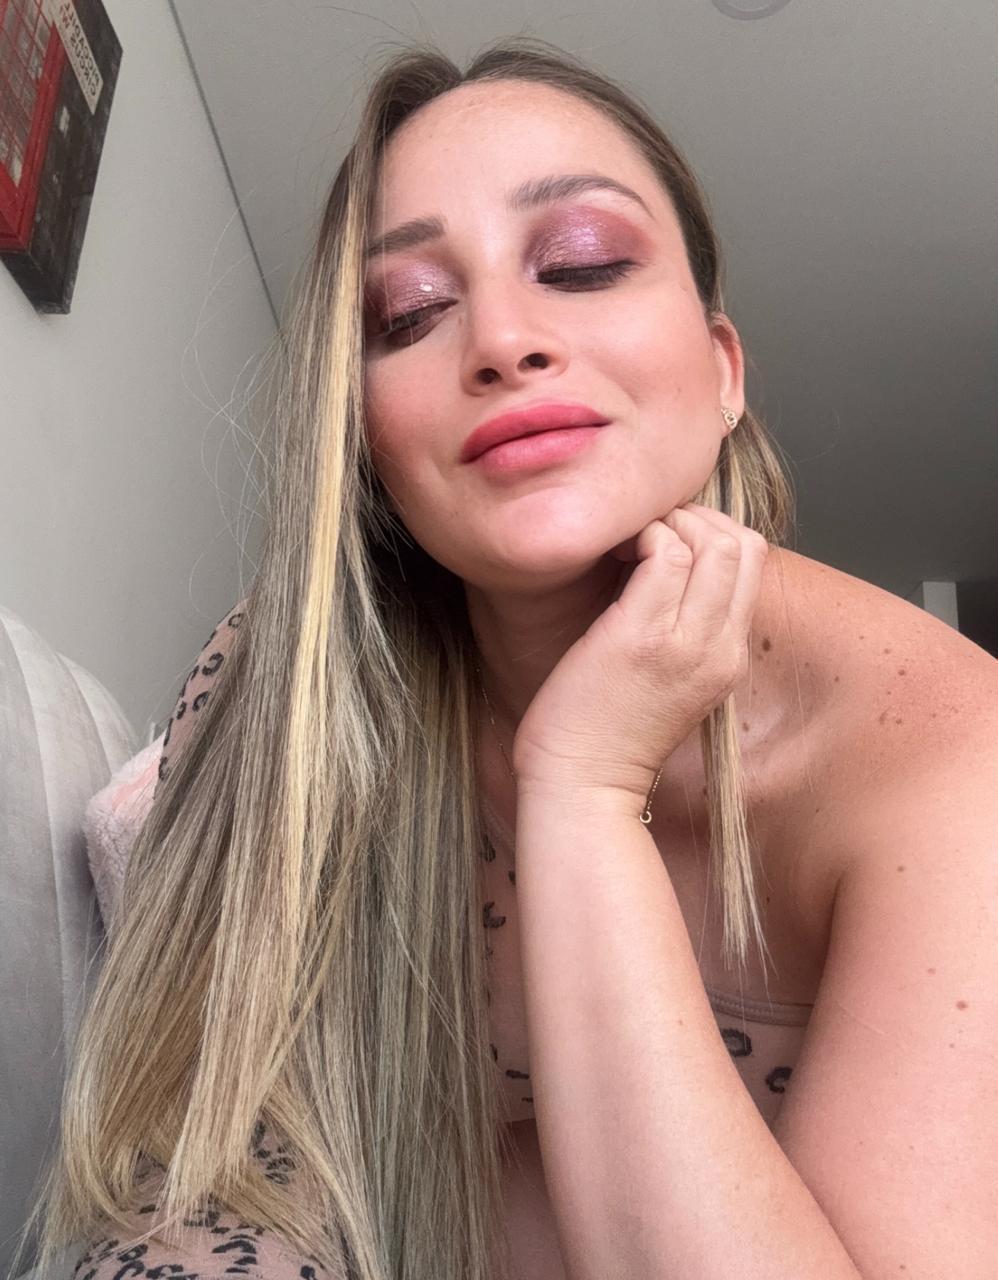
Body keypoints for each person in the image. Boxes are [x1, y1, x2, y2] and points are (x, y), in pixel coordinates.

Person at [17, 34, 998, 1280]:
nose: (501, 338)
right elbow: (194, 1123)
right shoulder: (291, 676)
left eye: (581, 262)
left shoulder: (951, 757)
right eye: (410, 313)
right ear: (366, 438)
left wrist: (583, 787)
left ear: (721, 371)